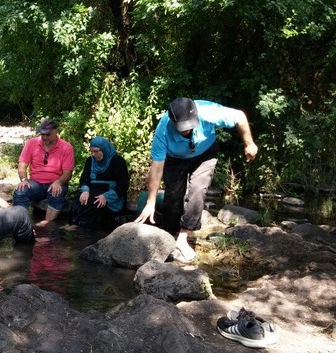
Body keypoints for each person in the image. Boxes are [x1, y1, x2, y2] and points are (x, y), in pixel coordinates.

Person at [135, 97, 258, 262]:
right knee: (173, 196)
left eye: (189, 126)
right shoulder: (162, 130)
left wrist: (249, 143)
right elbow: (156, 169)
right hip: (175, 158)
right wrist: (151, 203)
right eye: (181, 127)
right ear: (172, 121)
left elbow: (240, 117)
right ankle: (171, 234)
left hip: (205, 153)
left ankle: (184, 236)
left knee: (198, 190)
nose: (186, 130)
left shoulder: (208, 112)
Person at [13, 118, 75, 225]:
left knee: (56, 192)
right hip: (35, 184)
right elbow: (22, 166)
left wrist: (58, 182)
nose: (44, 137)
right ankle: (22, 224)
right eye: (42, 134)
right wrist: (24, 179)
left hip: (55, 183)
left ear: (56, 131)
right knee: (20, 192)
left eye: (48, 134)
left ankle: (46, 226)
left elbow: (67, 173)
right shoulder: (32, 143)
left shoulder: (66, 147)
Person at [70, 136, 129, 227]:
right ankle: (74, 225)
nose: (93, 154)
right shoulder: (90, 161)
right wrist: (85, 191)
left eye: (96, 151)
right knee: (78, 202)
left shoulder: (117, 161)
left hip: (110, 194)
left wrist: (106, 197)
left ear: (104, 150)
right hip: (92, 191)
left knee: (93, 204)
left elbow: (123, 186)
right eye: (92, 151)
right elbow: (84, 179)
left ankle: (79, 229)